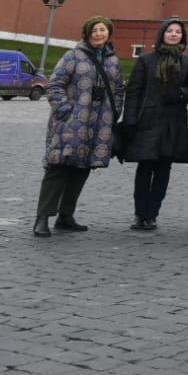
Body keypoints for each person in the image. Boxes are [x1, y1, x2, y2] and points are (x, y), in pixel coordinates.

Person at [33, 16, 125, 238]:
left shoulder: (113, 61)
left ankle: (66, 216)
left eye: (102, 29)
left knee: (82, 169)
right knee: (58, 168)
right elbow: (54, 85)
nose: (98, 33)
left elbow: (119, 89)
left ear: (109, 33)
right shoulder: (73, 56)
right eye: (94, 30)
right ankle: (43, 218)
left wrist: (114, 113)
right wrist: (65, 110)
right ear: (87, 33)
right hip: (70, 123)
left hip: (98, 125)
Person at [121, 17, 188, 231]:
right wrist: (129, 120)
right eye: (170, 31)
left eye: (178, 32)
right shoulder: (146, 60)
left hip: (173, 123)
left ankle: (153, 213)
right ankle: (139, 213)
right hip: (148, 120)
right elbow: (134, 91)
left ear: (183, 37)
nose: (174, 34)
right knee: (145, 168)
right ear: (162, 34)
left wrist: (180, 94)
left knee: (164, 169)